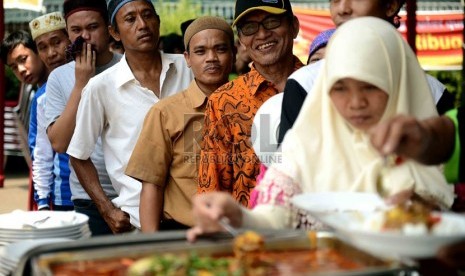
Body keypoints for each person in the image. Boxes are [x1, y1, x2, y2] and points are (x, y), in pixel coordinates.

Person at [187, 17, 454, 241]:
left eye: (370, 86)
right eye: (340, 88)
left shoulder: (431, 146)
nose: (356, 103)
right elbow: (277, 216)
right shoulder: (306, 142)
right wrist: (240, 216)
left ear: (397, 84)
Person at [67, 0, 193, 231]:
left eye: (148, 15)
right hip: (136, 221)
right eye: (130, 19)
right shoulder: (101, 87)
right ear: (114, 32)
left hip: (195, 217)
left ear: (158, 21)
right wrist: (107, 209)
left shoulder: (189, 69)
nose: (142, 24)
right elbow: (78, 155)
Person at [277, 0, 455, 145]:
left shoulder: (434, 93)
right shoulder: (304, 84)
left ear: (391, 5)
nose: (342, 9)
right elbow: (290, 168)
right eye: (334, 0)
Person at [126, 16, 235, 232]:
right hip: (181, 233)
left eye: (220, 49)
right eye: (201, 51)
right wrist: (153, 247)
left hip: (240, 231)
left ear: (233, 54)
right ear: (187, 58)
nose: (211, 58)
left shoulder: (252, 108)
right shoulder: (166, 113)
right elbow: (151, 186)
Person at [198, 0, 303, 208]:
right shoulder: (224, 101)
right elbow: (212, 188)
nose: (262, 34)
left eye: (272, 21)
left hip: (316, 231)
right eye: (249, 28)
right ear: (242, 40)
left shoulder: (321, 87)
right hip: (251, 233)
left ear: (294, 26)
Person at [45, 0, 122, 236]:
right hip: (87, 199)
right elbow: (59, 143)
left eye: (92, 27)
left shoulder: (128, 67)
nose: (85, 37)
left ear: (108, 29)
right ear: (68, 33)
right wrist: (80, 84)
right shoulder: (59, 77)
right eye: (76, 31)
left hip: (134, 194)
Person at [28, 12, 73, 211]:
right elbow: (42, 153)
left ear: (70, 40)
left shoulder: (97, 80)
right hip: (65, 195)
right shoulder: (42, 97)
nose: (51, 53)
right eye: (42, 47)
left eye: (57, 42)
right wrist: (43, 202)